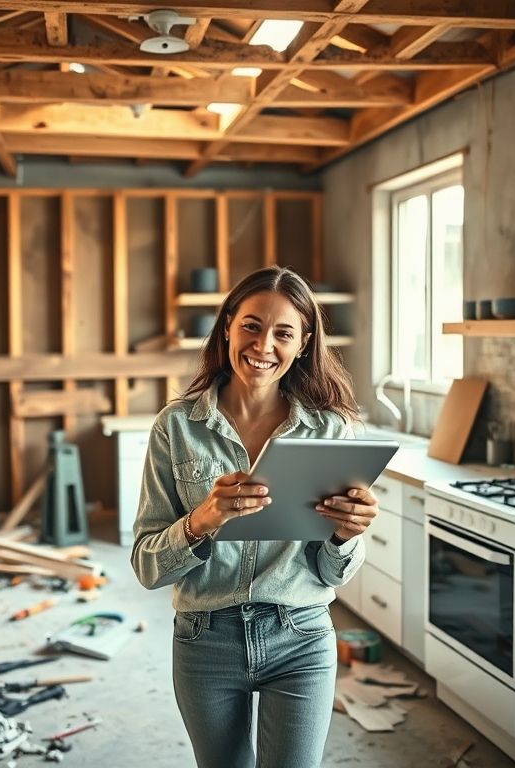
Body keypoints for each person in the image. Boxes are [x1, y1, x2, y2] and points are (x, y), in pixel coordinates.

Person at [131, 265, 379, 768]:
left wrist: (346, 536)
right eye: (251, 325)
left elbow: (334, 572)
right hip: (205, 639)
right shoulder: (176, 427)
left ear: (304, 342)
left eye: (283, 332)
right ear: (227, 326)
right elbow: (147, 567)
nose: (263, 344)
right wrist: (202, 520)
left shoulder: (330, 430)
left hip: (302, 635)